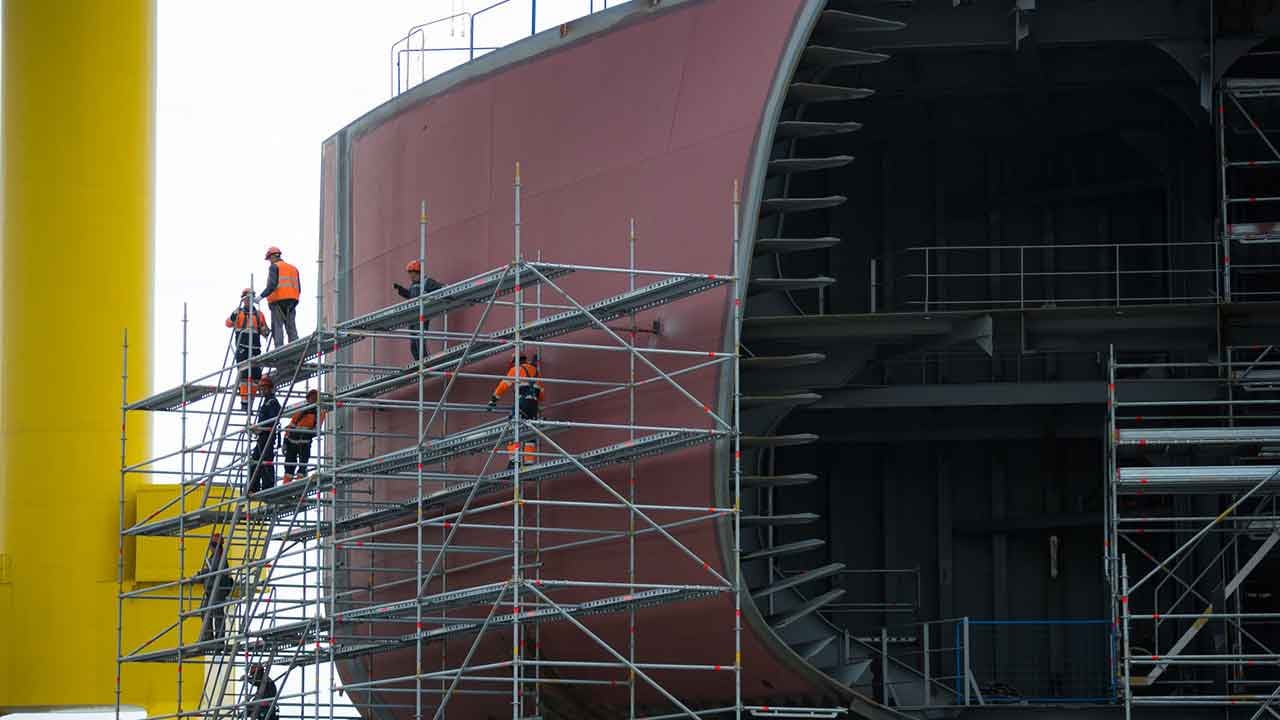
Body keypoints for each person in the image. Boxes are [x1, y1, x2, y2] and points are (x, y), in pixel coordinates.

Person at [488, 355, 544, 467]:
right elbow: (541, 394)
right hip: (534, 405)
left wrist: (493, 400)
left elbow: (503, 386)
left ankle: (514, 461)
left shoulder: (515, 370)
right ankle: (529, 462)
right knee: (530, 432)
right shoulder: (537, 372)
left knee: (512, 430)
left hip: (522, 403)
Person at [392, 259, 445, 360]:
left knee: (419, 339)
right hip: (413, 316)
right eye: (410, 274)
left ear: (418, 272)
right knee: (413, 343)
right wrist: (401, 290)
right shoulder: (413, 285)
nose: (410, 276)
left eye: (412, 273)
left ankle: (424, 360)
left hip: (422, 314)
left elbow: (440, 289)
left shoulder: (427, 282)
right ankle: (418, 362)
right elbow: (412, 297)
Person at [227, 289, 269, 411]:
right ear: (243, 299)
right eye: (246, 298)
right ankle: (244, 403)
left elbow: (264, 330)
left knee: (256, 376)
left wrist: (267, 331)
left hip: (255, 348)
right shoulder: (238, 312)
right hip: (243, 348)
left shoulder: (258, 314)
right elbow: (228, 323)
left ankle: (250, 401)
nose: (248, 301)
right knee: (244, 376)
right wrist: (234, 316)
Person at [258, 246, 300, 348]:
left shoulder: (274, 267)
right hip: (292, 301)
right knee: (291, 326)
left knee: (277, 326)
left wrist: (260, 297)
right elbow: (299, 288)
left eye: (269, 259)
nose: (269, 261)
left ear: (272, 257)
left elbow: (272, 285)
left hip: (278, 301)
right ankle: (295, 346)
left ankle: (279, 348)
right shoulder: (293, 268)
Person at [282, 389, 324, 483]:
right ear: (308, 399)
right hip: (293, 441)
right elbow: (291, 426)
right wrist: (285, 441)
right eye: (311, 397)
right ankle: (286, 486)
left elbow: (316, 429)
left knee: (302, 467)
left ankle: (298, 488)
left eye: (315, 398)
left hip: (305, 442)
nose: (312, 399)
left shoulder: (319, 412)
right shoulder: (301, 410)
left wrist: (306, 432)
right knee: (289, 467)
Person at [248, 377, 281, 494]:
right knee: (255, 461)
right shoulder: (267, 402)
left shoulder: (272, 402)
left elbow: (272, 421)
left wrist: (259, 428)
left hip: (268, 436)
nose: (263, 390)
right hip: (263, 436)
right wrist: (258, 428)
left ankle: (267, 487)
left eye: (265, 388)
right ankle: (253, 488)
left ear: (270, 388)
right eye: (261, 388)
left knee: (265, 461)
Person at [200, 534, 234, 642]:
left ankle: (218, 639)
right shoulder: (214, 557)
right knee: (205, 611)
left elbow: (213, 570)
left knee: (217, 613)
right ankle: (208, 636)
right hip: (211, 589)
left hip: (218, 589)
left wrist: (201, 574)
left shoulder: (219, 557)